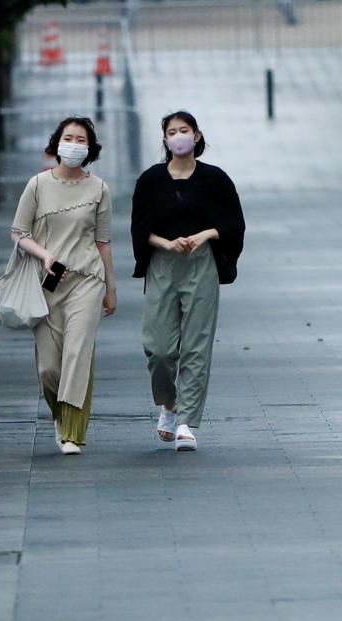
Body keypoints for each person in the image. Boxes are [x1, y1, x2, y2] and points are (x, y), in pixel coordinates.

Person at [130, 111, 245, 451]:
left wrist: (205, 235)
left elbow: (233, 223)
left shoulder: (215, 179)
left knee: (196, 345)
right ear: (164, 140)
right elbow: (139, 228)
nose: (178, 136)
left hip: (201, 263)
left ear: (196, 135)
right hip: (163, 265)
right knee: (160, 349)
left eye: (184, 130)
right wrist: (165, 243)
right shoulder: (151, 180)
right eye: (172, 131)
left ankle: (186, 422)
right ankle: (168, 403)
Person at [10, 116, 116, 455]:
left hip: (87, 278)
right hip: (48, 282)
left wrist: (111, 288)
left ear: (89, 148)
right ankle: (59, 414)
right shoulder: (38, 185)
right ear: (56, 143)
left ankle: (73, 432)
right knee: (48, 367)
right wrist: (44, 255)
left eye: (81, 139)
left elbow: (103, 242)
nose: (74, 144)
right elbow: (19, 233)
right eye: (68, 137)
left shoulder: (99, 188)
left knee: (77, 352)